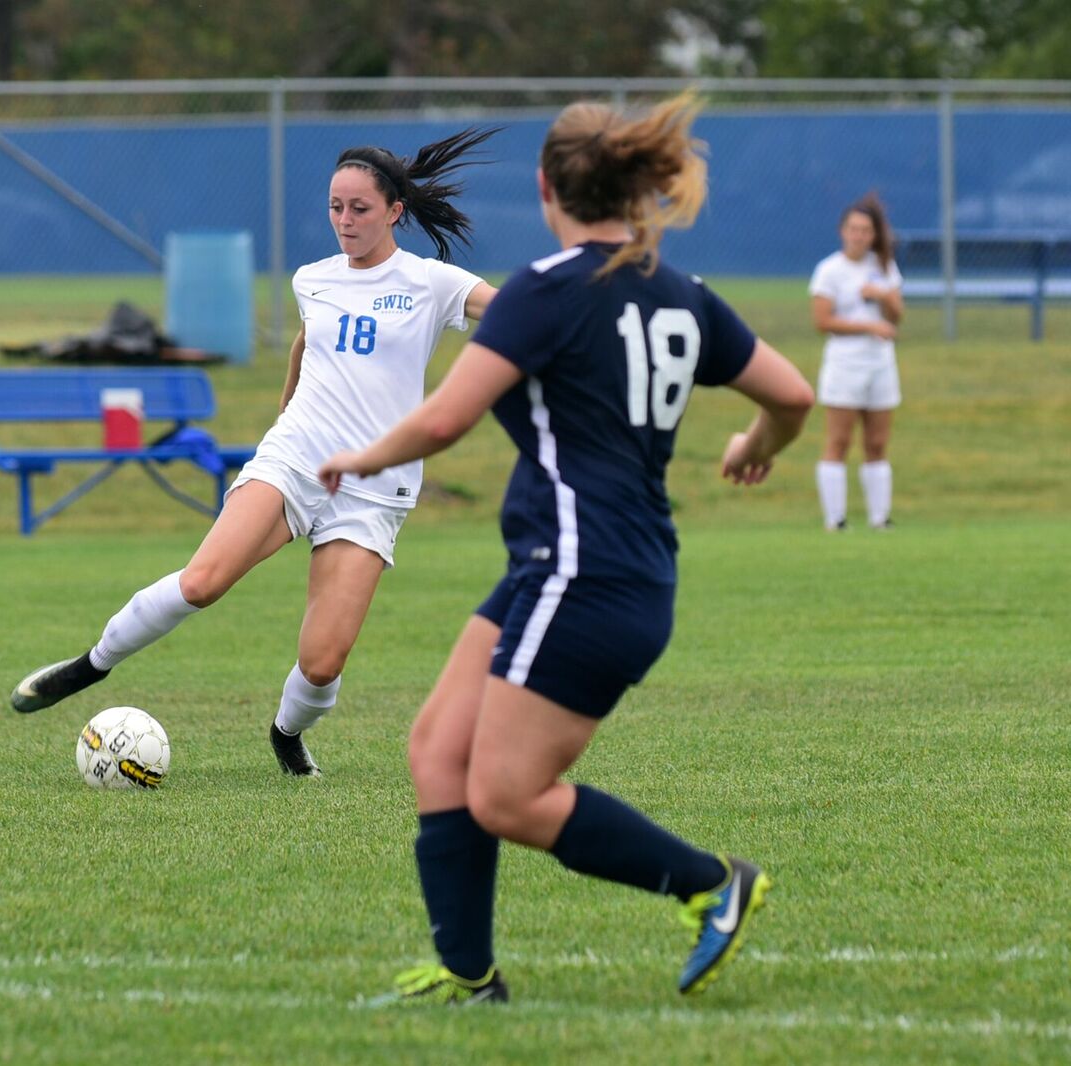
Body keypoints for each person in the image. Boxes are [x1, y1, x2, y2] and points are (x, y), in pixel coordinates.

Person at [317, 92, 815, 1004]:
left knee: (505, 794)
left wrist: (358, 455)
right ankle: (470, 977)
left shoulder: (545, 289)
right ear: (630, 192)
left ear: (548, 188)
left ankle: (712, 883)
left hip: (587, 576)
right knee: (436, 749)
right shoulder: (680, 292)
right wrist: (756, 445)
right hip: (577, 567)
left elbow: (445, 417)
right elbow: (792, 395)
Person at [9, 129, 502, 778]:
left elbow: (510, 317)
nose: (345, 221)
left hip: (375, 488)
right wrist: (286, 412)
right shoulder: (313, 280)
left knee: (324, 663)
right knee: (202, 583)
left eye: (359, 208)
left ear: (394, 211)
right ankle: (90, 665)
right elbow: (308, 343)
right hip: (295, 459)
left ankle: (286, 733)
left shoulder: (431, 283)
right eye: (334, 207)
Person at [810, 194, 903, 531]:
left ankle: (880, 518)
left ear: (874, 234)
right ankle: (835, 519)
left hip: (880, 362)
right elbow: (822, 321)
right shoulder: (829, 270)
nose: (859, 235)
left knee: (877, 442)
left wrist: (884, 296)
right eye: (853, 229)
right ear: (842, 231)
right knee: (839, 440)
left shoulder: (884, 268)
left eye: (865, 230)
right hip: (845, 364)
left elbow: (897, 316)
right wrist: (867, 325)